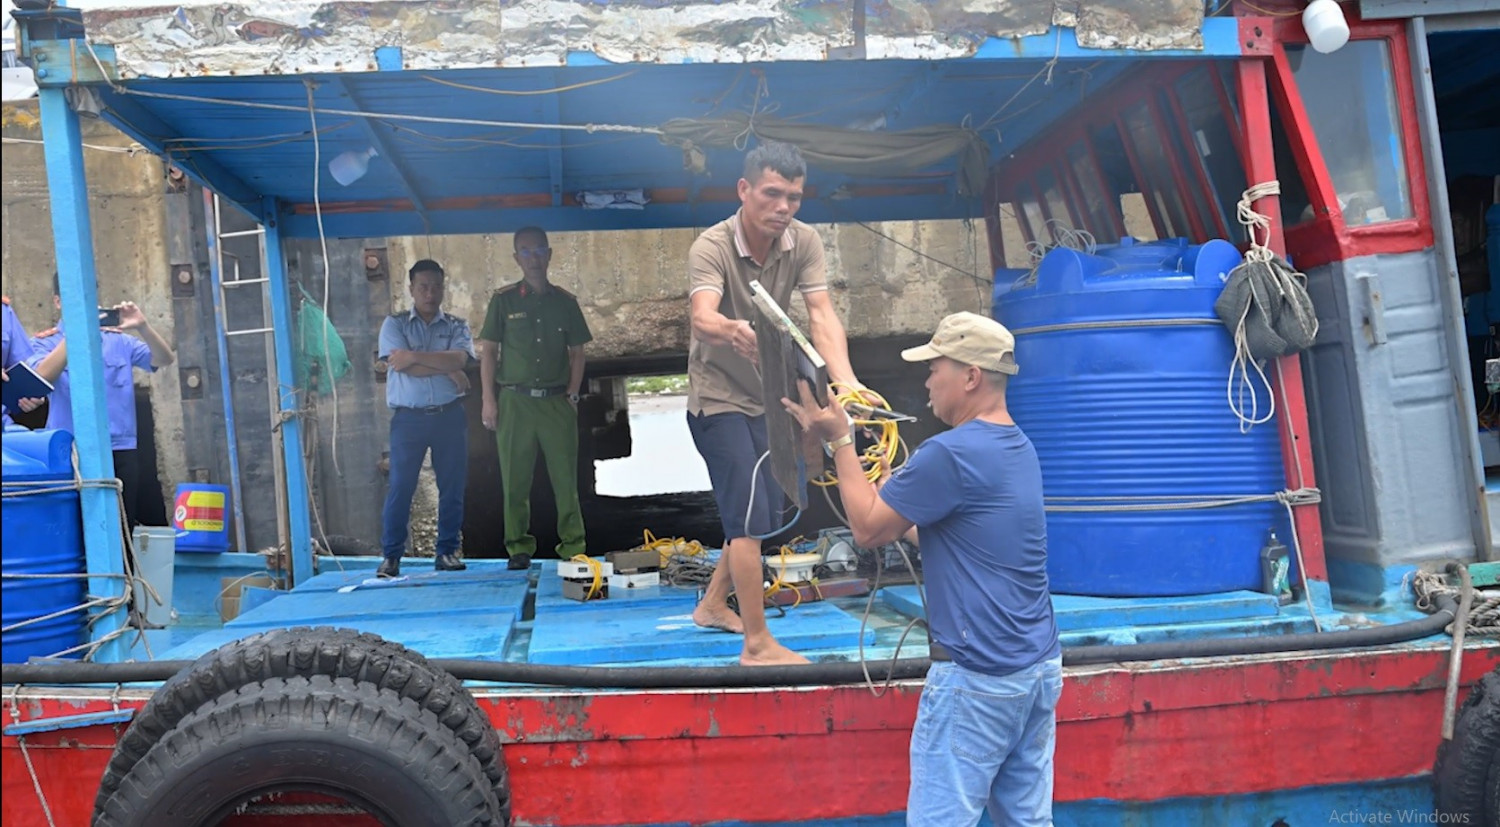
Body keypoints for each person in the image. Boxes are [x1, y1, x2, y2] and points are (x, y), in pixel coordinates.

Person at [783, 311, 1062, 827]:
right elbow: (956, 535)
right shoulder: (1017, 447)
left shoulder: (949, 453)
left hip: (978, 675)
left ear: (971, 377)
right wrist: (903, 504)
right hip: (1036, 668)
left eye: (936, 368)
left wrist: (841, 440)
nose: (927, 380)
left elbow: (865, 530)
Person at [685, 141, 862, 666]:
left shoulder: (802, 241)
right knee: (746, 519)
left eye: (794, 197)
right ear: (744, 190)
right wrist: (730, 329)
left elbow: (822, 314)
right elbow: (700, 315)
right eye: (772, 194)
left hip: (768, 392)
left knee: (763, 505)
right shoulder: (711, 246)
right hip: (717, 397)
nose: (783, 207)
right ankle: (757, 645)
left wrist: (847, 384)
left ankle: (714, 603)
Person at [479, 227, 592, 571]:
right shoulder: (504, 300)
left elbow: (577, 352)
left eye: (539, 250)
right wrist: (488, 399)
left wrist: (573, 392)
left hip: (556, 402)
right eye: (525, 252)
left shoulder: (565, 303)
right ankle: (518, 547)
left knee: (565, 479)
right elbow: (489, 352)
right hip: (516, 401)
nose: (533, 258)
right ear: (516, 258)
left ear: (549, 254)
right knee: (515, 478)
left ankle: (573, 545)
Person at [29, 279, 176, 527]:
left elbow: (164, 359)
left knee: (121, 525)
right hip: (70, 450)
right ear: (57, 302)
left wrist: (143, 326)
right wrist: (77, 332)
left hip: (120, 448)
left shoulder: (118, 340)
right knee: (71, 528)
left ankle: (120, 567)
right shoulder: (46, 342)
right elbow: (41, 377)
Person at [377, 259, 475, 578]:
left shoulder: (457, 326)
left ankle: (446, 551)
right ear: (411, 289)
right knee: (401, 487)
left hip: (449, 416)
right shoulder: (395, 325)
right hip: (409, 420)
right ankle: (391, 556)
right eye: (422, 287)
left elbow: (460, 357)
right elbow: (401, 366)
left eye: (435, 286)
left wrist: (416, 356)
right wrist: (448, 368)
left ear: (443, 288)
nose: (429, 293)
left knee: (452, 487)